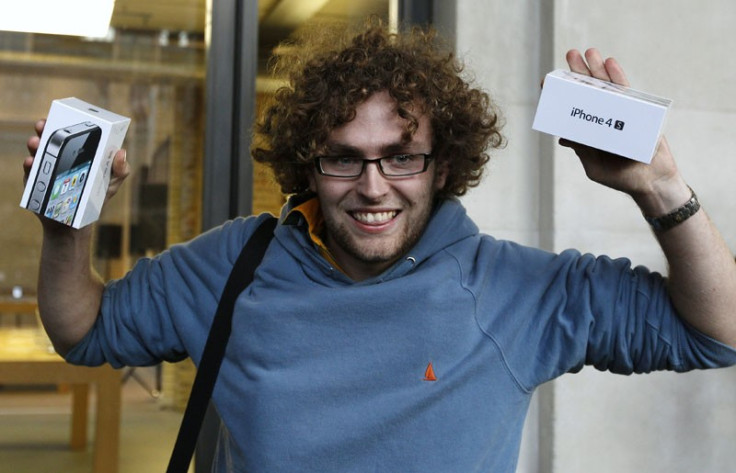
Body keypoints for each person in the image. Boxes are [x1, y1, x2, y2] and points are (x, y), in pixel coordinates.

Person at [23, 20, 736, 473]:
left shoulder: (515, 290)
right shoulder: (235, 266)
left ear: (444, 166)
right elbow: (83, 329)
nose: (373, 187)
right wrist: (66, 230)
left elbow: (719, 332)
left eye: (401, 157)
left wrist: (661, 186)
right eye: (345, 158)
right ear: (310, 163)